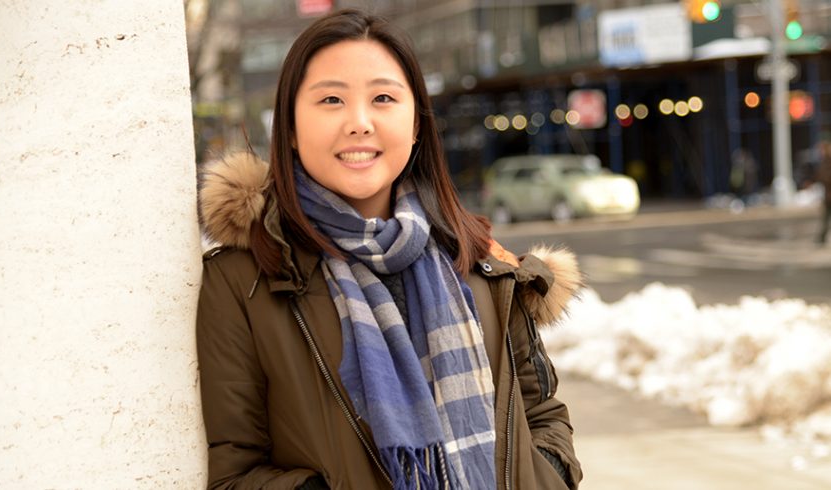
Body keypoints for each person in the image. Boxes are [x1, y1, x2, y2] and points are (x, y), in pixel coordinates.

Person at [196, 9, 582, 490]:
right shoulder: (243, 281)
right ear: (290, 128)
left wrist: (546, 476)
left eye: (383, 98)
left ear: (416, 124)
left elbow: (542, 413)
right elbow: (235, 472)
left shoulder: (482, 260)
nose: (359, 123)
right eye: (331, 99)